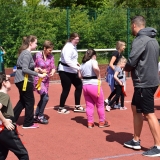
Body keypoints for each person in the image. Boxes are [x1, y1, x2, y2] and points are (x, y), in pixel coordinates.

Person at [123, 16, 160, 157]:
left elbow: (132, 61)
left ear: (134, 25)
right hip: (150, 80)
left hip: (144, 82)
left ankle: (158, 146)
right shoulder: (153, 40)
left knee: (149, 113)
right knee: (135, 107)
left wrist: (125, 68)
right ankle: (136, 140)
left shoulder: (140, 40)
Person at [13, 35, 46, 129]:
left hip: (21, 79)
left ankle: (12, 119)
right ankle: (28, 123)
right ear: (30, 43)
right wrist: (38, 74)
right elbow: (24, 69)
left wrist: (36, 69)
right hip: (24, 80)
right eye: (36, 42)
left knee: (23, 101)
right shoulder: (27, 53)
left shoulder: (24, 53)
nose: (36, 44)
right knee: (30, 101)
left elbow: (25, 67)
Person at [78, 49, 110, 128]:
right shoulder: (93, 61)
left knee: (89, 105)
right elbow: (95, 68)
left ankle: (90, 122)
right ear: (93, 55)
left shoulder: (82, 64)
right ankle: (102, 121)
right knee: (100, 104)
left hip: (85, 86)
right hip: (94, 85)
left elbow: (79, 76)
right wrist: (98, 74)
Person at [0, 74, 29, 160]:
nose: (10, 82)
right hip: (6, 130)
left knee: (1, 155)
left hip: (2, 131)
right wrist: (5, 121)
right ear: (4, 83)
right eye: (8, 80)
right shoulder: (4, 95)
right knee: (23, 154)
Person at [57, 33, 84, 114]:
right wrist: (77, 68)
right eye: (76, 39)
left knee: (79, 86)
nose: (78, 41)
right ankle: (61, 107)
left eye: (78, 39)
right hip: (64, 71)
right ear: (72, 38)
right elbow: (67, 60)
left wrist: (77, 63)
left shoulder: (74, 46)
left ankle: (77, 106)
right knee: (66, 89)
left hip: (72, 70)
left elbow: (74, 58)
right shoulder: (68, 47)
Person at [33, 40, 55, 124]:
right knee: (46, 97)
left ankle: (36, 116)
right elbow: (31, 67)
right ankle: (40, 116)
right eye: (49, 50)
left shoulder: (51, 56)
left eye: (51, 50)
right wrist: (39, 70)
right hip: (37, 79)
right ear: (44, 48)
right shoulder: (37, 56)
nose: (50, 52)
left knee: (43, 97)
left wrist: (53, 71)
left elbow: (53, 66)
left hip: (46, 80)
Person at [105, 41, 126, 109]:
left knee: (117, 88)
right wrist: (117, 71)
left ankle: (114, 102)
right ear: (120, 46)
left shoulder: (120, 54)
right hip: (112, 72)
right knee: (115, 88)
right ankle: (109, 101)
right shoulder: (116, 53)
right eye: (124, 46)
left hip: (115, 72)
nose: (124, 47)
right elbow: (111, 63)